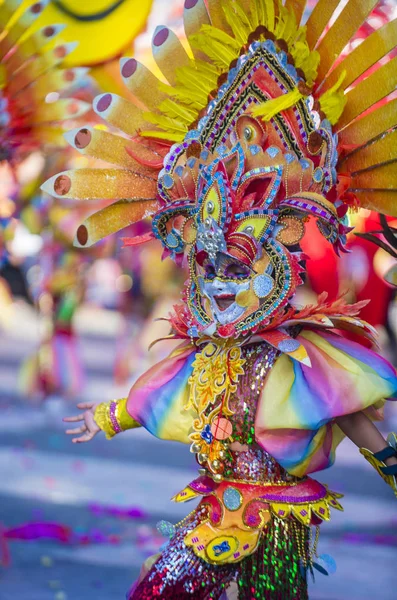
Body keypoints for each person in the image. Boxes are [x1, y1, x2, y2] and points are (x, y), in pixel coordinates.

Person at [49, 1, 397, 598]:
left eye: (235, 266)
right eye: (207, 266)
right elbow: (166, 391)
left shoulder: (304, 354)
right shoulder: (204, 349)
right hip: (213, 509)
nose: (218, 282)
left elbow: (354, 415)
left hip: (281, 519)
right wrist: (109, 416)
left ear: (276, 263)